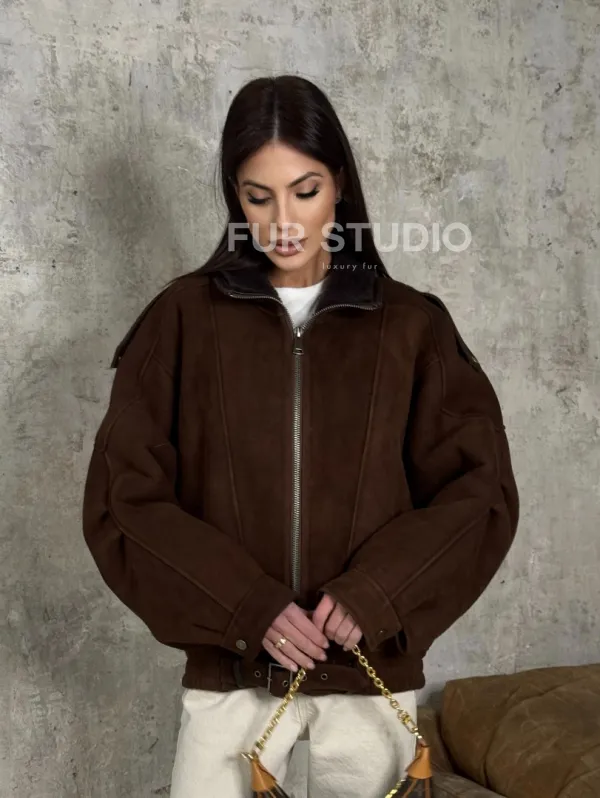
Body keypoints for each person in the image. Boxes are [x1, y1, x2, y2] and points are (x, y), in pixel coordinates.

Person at [81, 75, 520, 797]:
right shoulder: (181, 320)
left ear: (339, 184)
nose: (283, 221)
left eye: (305, 190)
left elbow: (480, 493)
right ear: (235, 195)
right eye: (259, 197)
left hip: (367, 671)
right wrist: (247, 608)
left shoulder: (411, 326)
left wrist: (377, 593)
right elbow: (123, 500)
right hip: (235, 673)